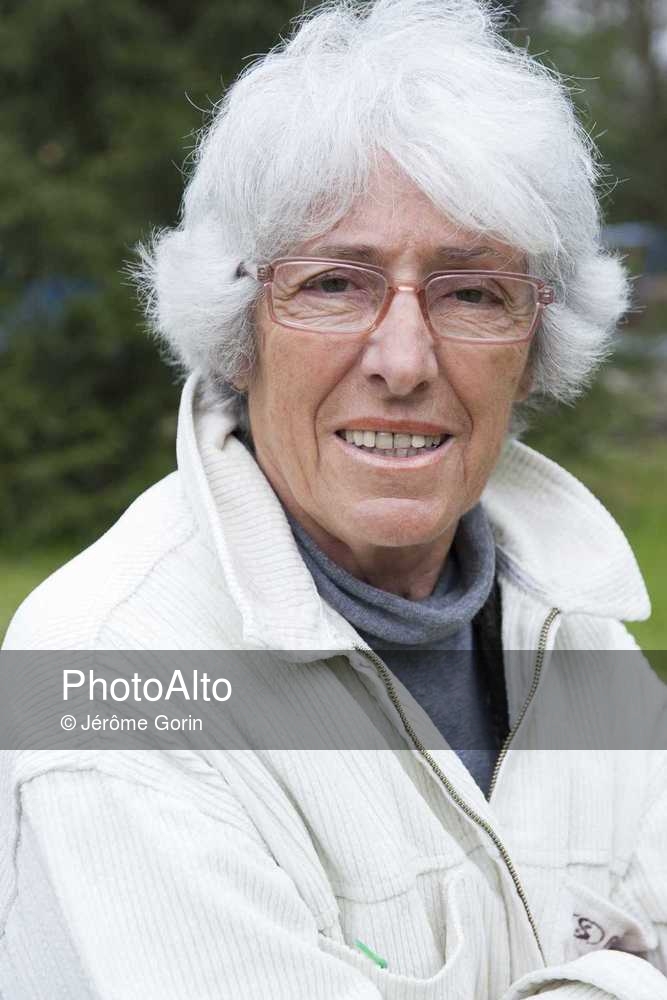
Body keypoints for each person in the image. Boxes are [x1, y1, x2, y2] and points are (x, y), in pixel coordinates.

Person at [2, 0, 666, 997]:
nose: (403, 360)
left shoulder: (580, 627)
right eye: (333, 285)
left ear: (535, 346)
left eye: (471, 292)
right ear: (239, 329)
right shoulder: (107, 671)